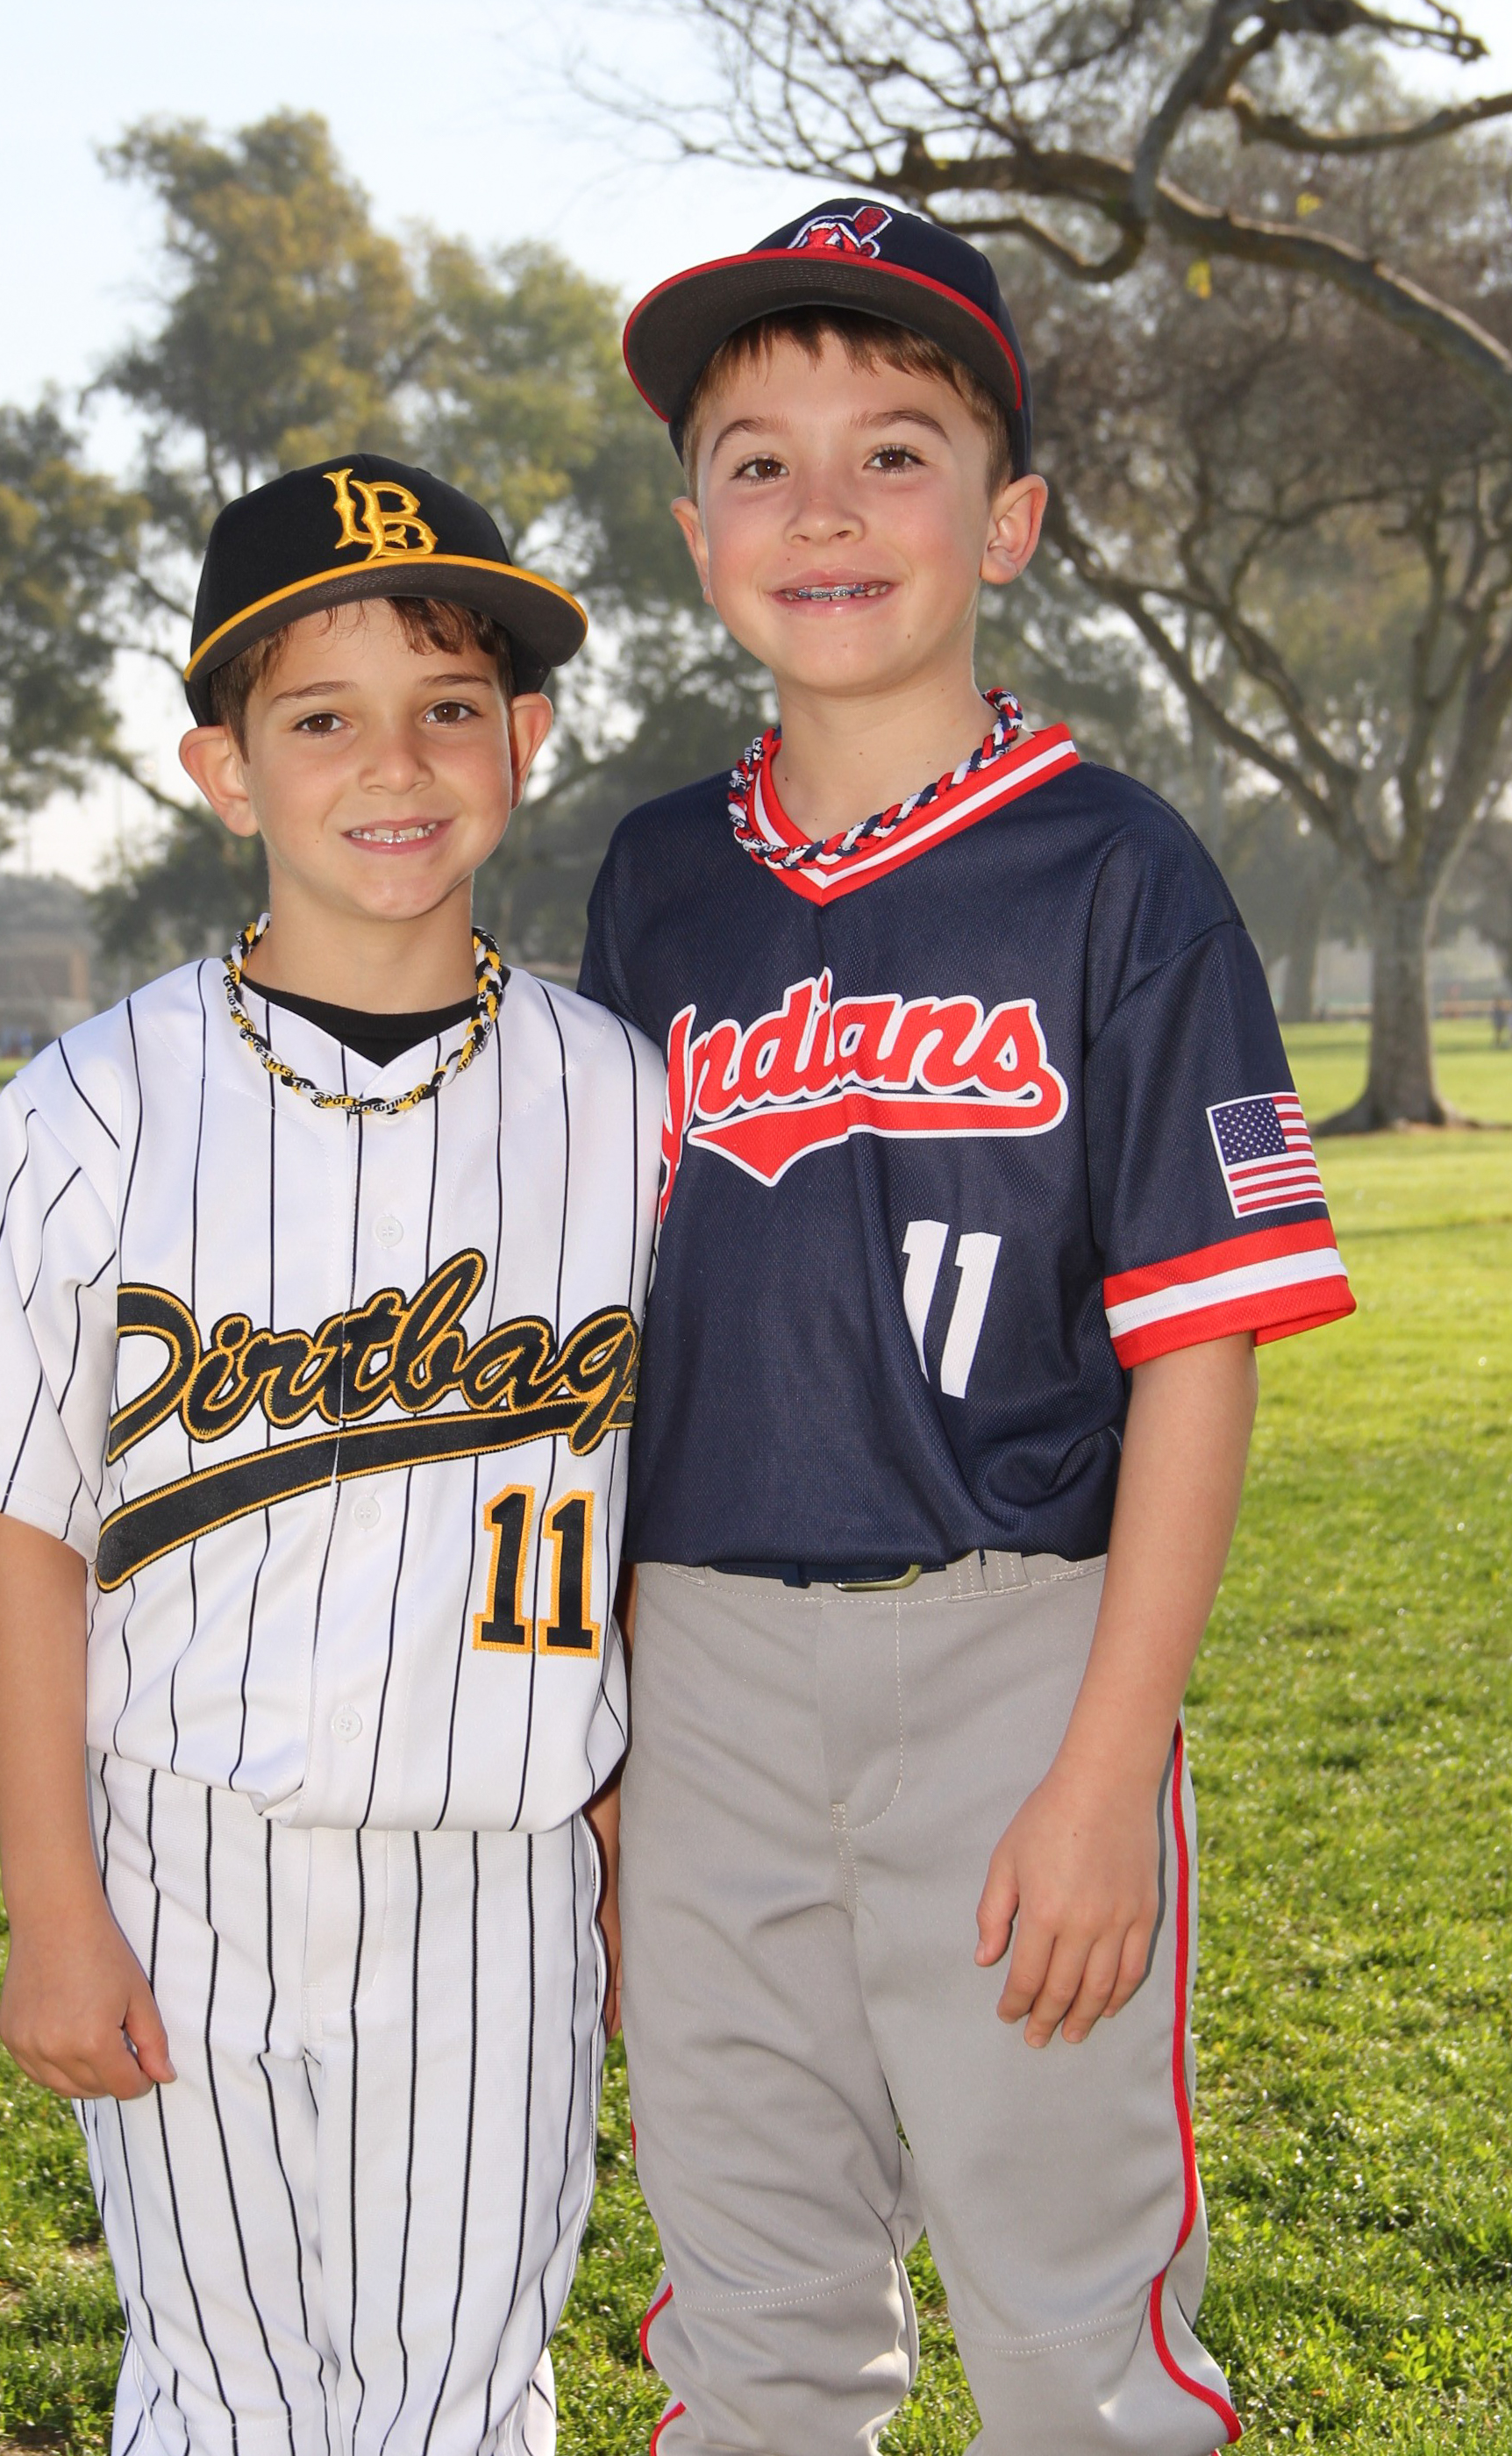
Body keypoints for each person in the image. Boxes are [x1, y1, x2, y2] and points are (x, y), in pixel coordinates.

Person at [581, 201, 1357, 2455]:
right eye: (758, 460)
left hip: (1021, 1652)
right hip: (698, 1664)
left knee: (1070, 2340)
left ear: (1006, 520)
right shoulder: (653, 882)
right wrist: (610, 1750)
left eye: (895, 452)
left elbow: (1196, 1348)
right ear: (695, 532)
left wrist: (1107, 1771)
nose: (823, 506)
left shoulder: (1118, 870)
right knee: (747, 2324)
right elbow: (602, 1346)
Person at [0, 453, 665, 2456]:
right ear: (223, 770)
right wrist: (52, 1903)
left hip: (497, 1858)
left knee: (460, 2393)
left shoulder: (624, 1099)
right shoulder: (94, 1102)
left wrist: (635, 1854)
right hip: (181, 1853)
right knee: (216, 2386)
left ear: (526, 740)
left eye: (449, 705)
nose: (393, 762)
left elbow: (663, 1513)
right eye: (320, 718)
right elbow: (27, 1527)